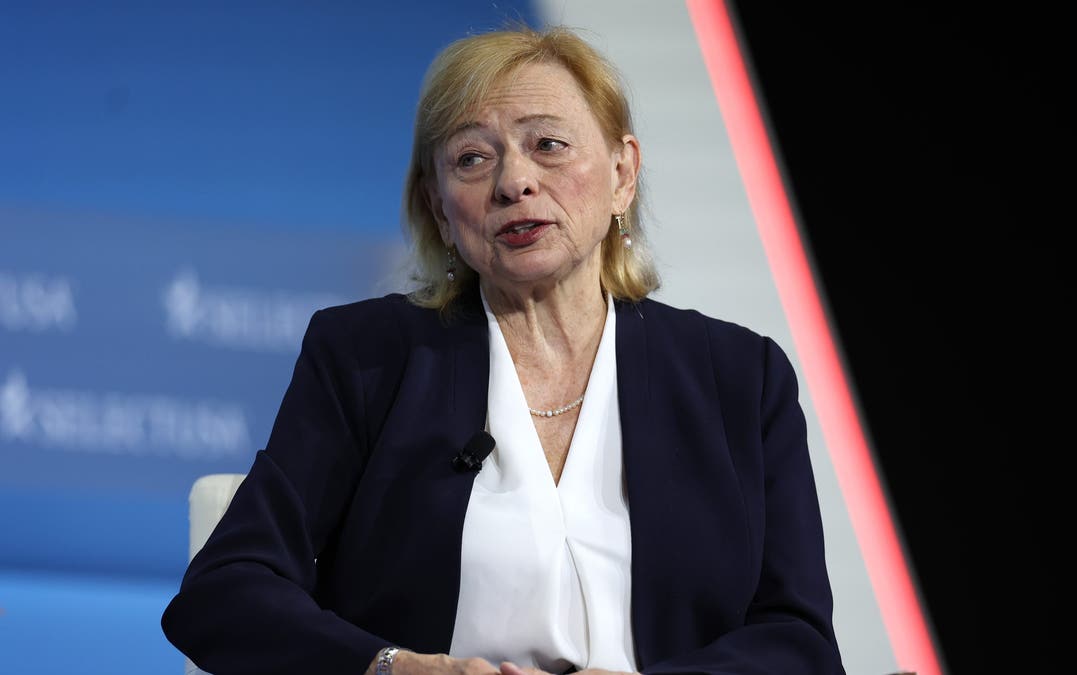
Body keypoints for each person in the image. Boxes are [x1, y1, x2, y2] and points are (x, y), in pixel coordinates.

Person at [161, 22, 847, 675]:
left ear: (622, 173)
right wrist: (391, 667)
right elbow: (223, 593)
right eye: (472, 157)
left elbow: (799, 641)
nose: (514, 181)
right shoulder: (367, 359)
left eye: (548, 145)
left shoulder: (737, 377)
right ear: (438, 207)